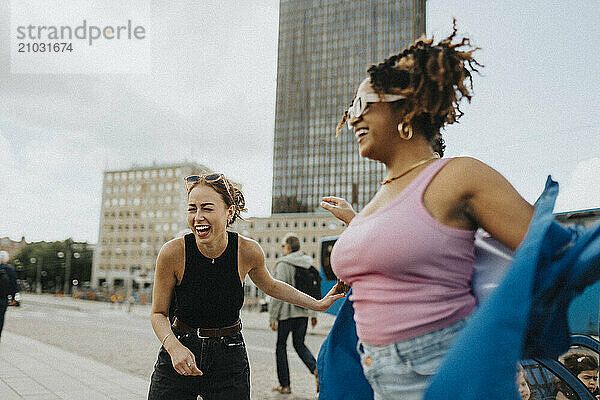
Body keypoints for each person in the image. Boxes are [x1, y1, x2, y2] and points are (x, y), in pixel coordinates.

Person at [320, 23, 535, 399]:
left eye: (362, 103)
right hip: (377, 376)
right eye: (350, 108)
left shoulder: (458, 175)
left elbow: (547, 253)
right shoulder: (380, 197)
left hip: (444, 371)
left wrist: (503, 354)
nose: (352, 118)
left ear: (406, 106)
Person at [147, 173, 345, 400]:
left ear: (229, 212)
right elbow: (158, 313)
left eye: (207, 209)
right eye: (192, 209)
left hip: (228, 357)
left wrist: (318, 304)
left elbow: (272, 286)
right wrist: (174, 348)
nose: (198, 217)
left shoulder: (247, 251)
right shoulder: (173, 253)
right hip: (180, 349)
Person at [269, 233, 319, 394]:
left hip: (286, 313)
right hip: (304, 312)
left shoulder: (283, 264)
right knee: (299, 344)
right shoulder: (307, 263)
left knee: (281, 346)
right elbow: (313, 290)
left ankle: (285, 385)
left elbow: (277, 291)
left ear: (288, 247)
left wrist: (273, 316)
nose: (282, 249)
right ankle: (316, 368)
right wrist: (313, 314)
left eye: (283, 246)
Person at [0, 250, 18, 342]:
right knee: (1, 317)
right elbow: (14, 285)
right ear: (7, 259)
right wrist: (13, 298)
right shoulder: (10, 270)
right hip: (3, 298)